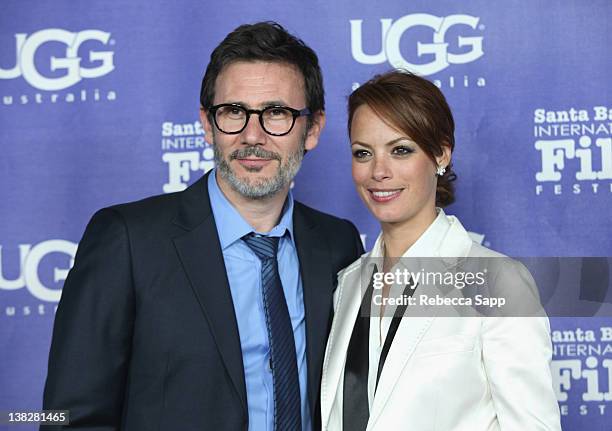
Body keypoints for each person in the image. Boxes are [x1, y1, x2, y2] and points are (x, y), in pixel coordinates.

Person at [42, 22, 364, 431]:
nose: (252, 135)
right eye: (233, 112)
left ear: (313, 128)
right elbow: (68, 418)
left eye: (277, 113)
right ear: (207, 124)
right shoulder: (126, 240)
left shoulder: (339, 244)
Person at [320, 71, 561, 430]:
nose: (378, 171)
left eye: (400, 150)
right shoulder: (348, 284)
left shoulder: (499, 283)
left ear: (440, 154)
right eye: (363, 153)